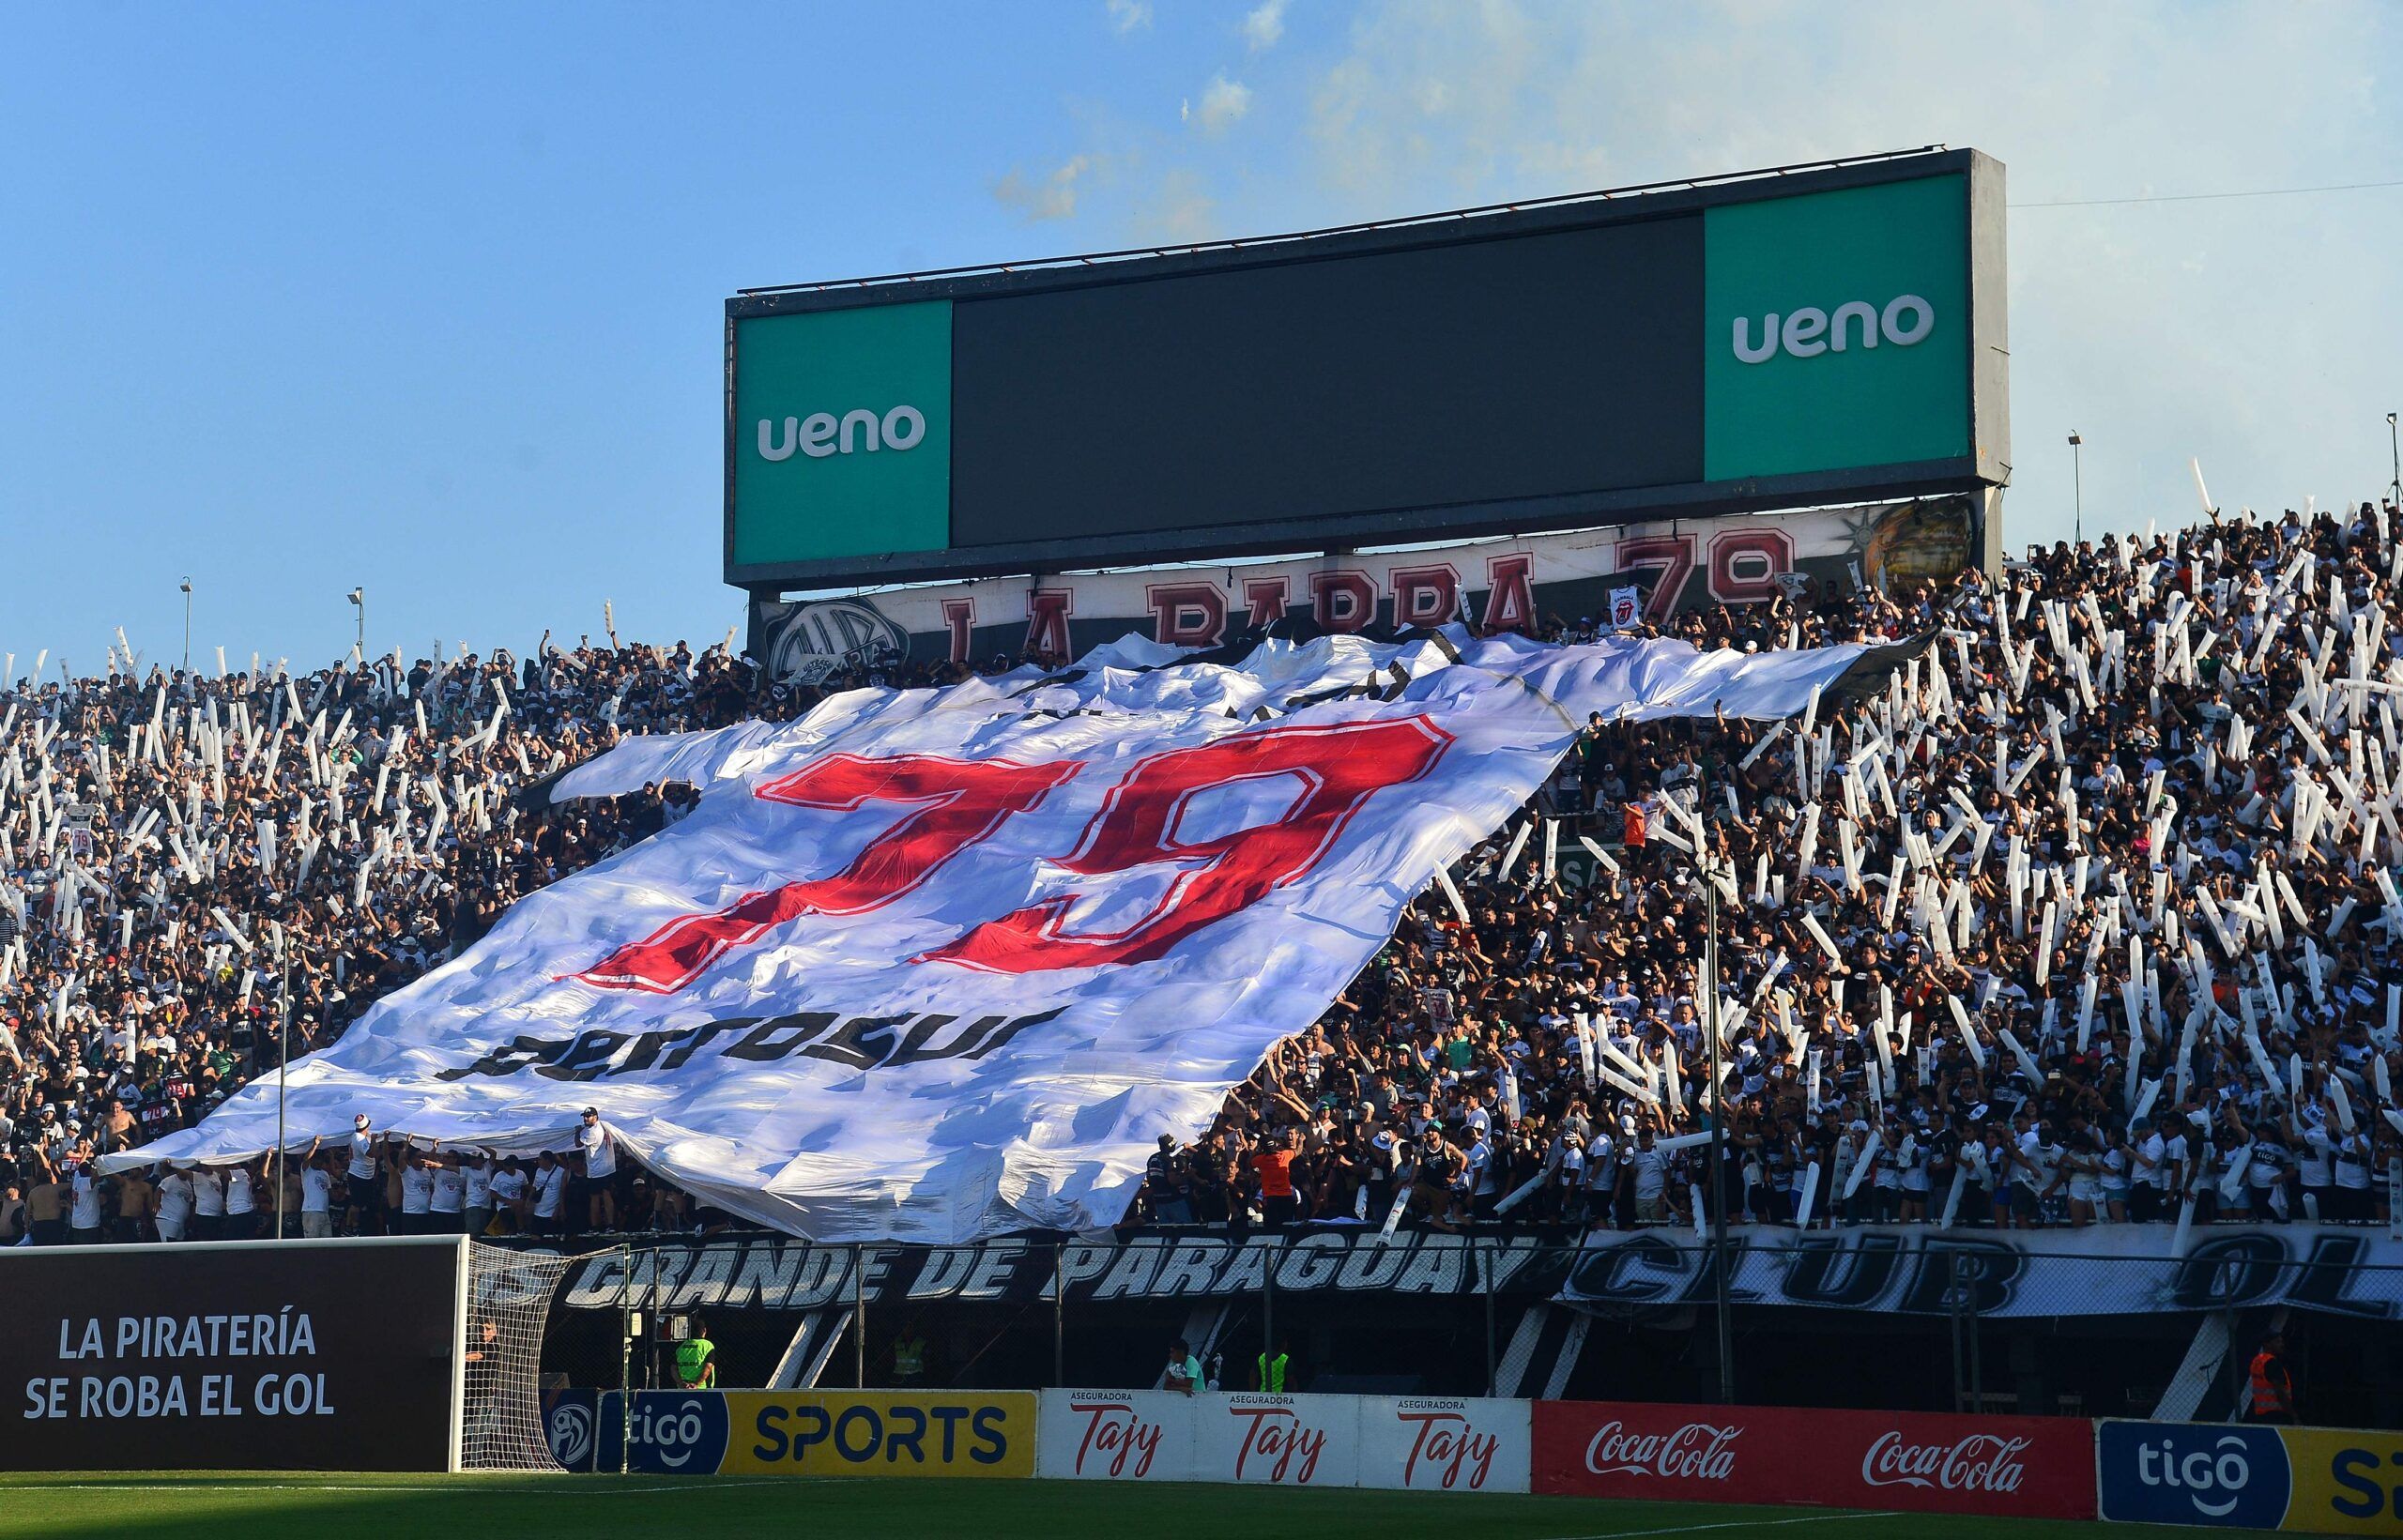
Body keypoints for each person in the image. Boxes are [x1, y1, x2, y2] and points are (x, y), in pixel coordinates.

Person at [2246, 1329, 2297, 1424]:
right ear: (2267, 1344)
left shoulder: (2257, 1361)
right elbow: (2280, 1392)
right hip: (2276, 1414)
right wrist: (2293, 1416)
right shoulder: (2272, 1363)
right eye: (2278, 1342)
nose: (2282, 1345)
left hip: (2261, 1413)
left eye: (2281, 1342)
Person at [674, 1320, 717, 1390]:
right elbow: (708, 1367)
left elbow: (673, 1368)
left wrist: (681, 1383)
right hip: (703, 1388)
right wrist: (696, 1384)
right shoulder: (707, 1345)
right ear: (704, 1330)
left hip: (684, 1387)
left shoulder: (681, 1346)